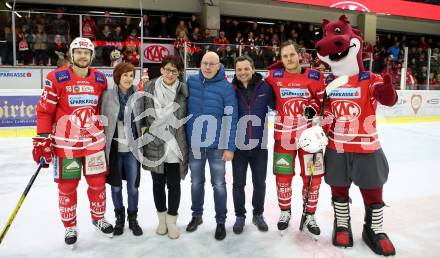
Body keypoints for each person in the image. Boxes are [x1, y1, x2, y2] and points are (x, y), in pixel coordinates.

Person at [32, 37, 114, 246]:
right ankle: (70, 226)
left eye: (86, 53)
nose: (82, 56)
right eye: (78, 52)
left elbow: (104, 108)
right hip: (65, 145)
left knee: (97, 184)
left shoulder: (100, 79)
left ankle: (98, 219)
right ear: (71, 54)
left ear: (92, 56)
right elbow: (44, 111)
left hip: (94, 143)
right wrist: (42, 139)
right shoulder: (56, 77)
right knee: (67, 187)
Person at [265, 41, 326, 239]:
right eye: (285, 56)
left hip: (310, 138)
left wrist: (314, 108)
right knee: (283, 177)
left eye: (292, 55)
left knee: (313, 178)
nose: (289, 59)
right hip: (284, 137)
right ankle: (285, 212)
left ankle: (309, 215)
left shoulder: (315, 76)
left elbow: (323, 102)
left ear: (299, 55)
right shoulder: (275, 77)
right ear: (280, 59)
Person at [185, 51, 238, 240]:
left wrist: (230, 146)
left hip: (217, 146)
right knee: (196, 182)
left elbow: (232, 119)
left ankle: (220, 221)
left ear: (218, 66)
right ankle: (196, 216)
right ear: (200, 64)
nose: (207, 67)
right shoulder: (190, 82)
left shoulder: (226, 88)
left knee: (219, 184)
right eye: (204, 63)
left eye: (211, 64)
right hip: (196, 144)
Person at [141, 55, 188, 240]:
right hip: (155, 144)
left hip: (176, 144)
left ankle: (171, 221)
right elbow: (142, 115)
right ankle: (161, 220)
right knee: (158, 183)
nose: (170, 73)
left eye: (174, 71)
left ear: (179, 73)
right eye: (167, 69)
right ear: (161, 70)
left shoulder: (184, 89)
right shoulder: (149, 88)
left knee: (174, 185)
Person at [231, 55, 275, 234]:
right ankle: (240, 216)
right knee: (238, 184)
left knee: (260, 183)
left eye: (246, 68)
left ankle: (258, 214)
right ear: (235, 71)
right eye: (239, 69)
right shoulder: (231, 89)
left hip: (259, 146)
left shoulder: (266, 87)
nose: (243, 72)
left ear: (253, 69)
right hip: (239, 147)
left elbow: (278, 105)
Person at [100, 63, 144, 236]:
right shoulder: (107, 96)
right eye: (125, 75)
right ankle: (119, 218)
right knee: (116, 187)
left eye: (131, 75)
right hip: (114, 150)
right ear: (118, 77)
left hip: (132, 150)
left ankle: (133, 219)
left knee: (133, 188)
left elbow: (145, 120)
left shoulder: (139, 97)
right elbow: (100, 120)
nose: (128, 78)